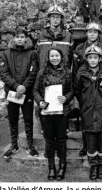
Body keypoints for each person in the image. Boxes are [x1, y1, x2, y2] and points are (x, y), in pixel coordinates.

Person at [33, 47, 74, 181]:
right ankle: (51, 167)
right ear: (48, 58)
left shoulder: (67, 72)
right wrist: (40, 102)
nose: (55, 58)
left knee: (61, 140)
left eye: (57, 55)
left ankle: (62, 166)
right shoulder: (42, 72)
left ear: (61, 57)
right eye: (52, 56)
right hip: (46, 112)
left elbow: (72, 90)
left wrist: (66, 98)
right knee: (49, 140)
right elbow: (35, 91)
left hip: (62, 112)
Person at [74, 45, 102, 180]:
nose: (93, 60)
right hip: (88, 112)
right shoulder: (81, 73)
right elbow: (77, 91)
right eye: (90, 57)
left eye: (95, 57)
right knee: (90, 142)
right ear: (86, 59)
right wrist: (85, 104)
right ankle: (93, 165)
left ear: (100, 58)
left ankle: (101, 165)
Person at [0, 29, 39, 159]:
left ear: (26, 39)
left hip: (26, 92)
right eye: (17, 37)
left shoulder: (32, 53)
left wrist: (23, 87)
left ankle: (30, 145)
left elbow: (33, 73)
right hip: (12, 92)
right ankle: (14, 145)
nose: (20, 39)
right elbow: (4, 73)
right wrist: (17, 86)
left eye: (22, 37)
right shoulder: (6, 53)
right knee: (13, 119)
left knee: (28, 119)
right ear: (13, 39)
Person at [37, 4, 73, 69]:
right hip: (45, 72)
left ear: (61, 19)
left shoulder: (68, 36)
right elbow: (38, 55)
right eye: (53, 17)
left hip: (63, 73)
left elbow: (70, 57)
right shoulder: (41, 35)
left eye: (58, 17)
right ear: (49, 18)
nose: (55, 19)